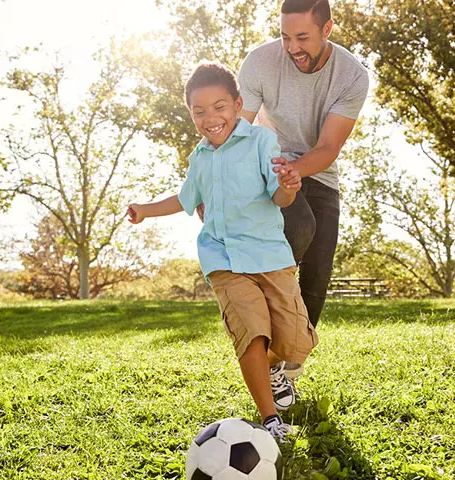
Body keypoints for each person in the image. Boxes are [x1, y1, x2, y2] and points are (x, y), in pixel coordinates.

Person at [127, 63, 318, 441]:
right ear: (191, 115)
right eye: (199, 111)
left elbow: (279, 196)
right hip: (224, 259)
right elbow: (185, 199)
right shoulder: (199, 158)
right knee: (252, 334)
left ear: (238, 104)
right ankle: (271, 421)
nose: (210, 118)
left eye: (219, 107)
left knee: (296, 341)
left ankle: (273, 368)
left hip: (270, 256)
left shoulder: (262, 141)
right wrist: (145, 210)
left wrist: (290, 186)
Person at [236, 0, 369, 379]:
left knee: (316, 278)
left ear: (327, 30)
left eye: (302, 37)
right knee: (300, 225)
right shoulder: (260, 62)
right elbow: (237, 133)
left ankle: (286, 372)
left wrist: (296, 171)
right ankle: (255, 297)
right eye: (284, 36)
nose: (292, 47)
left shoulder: (351, 76)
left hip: (319, 170)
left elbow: (327, 148)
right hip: (269, 162)